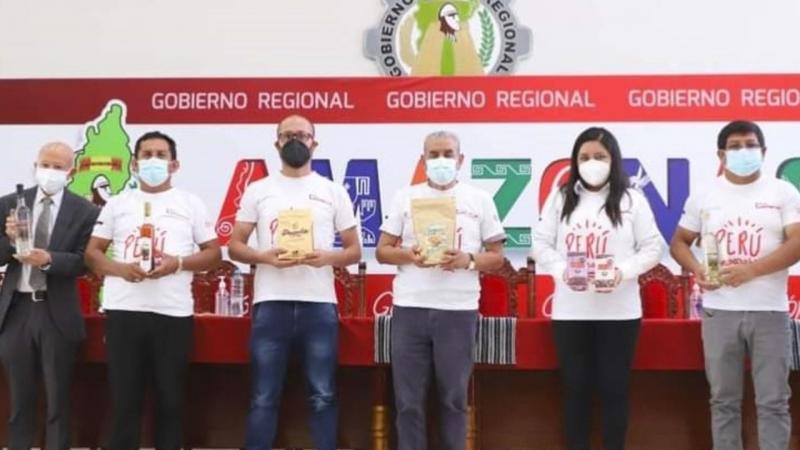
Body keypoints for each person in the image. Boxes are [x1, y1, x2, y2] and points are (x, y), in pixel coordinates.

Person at [228, 114, 361, 450]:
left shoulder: (332, 191)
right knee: (263, 395)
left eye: (302, 135)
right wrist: (264, 257)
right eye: (288, 136)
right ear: (277, 143)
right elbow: (235, 245)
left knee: (322, 393)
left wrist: (326, 257)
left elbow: (354, 250)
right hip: (270, 304)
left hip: (319, 305)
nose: (295, 141)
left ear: (314, 143)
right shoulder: (258, 190)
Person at [84, 131, 221, 450]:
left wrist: (178, 263)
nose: (153, 161)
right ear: (134, 164)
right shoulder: (117, 203)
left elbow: (214, 254)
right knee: (124, 400)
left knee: (170, 400)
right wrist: (120, 269)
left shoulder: (190, 203)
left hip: (172, 313)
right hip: (124, 312)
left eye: (161, 155)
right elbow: (92, 253)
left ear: (175, 165)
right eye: (146, 155)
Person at [670, 120, 800, 450]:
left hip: (770, 311)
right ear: (721, 154)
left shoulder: (783, 192)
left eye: (751, 145)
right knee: (723, 401)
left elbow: (797, 243)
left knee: (774, 402)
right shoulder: (704, 195)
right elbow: (679, 242)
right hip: (719, 312)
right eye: (735, 146)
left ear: (764, 151)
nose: (744, 151)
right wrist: (698, 269)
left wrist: (751, 271)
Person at [532, 127, 664, 450]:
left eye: (600, 157)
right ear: (575, 162)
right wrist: (563, 272)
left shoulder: (632, 199)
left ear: (613, 160)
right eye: (585, 157)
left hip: (620, 313)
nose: (592, 163)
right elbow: (540, 243)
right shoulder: (561, 197)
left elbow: (652, 248)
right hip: (571, 313)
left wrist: (622, 272)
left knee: (614, 390)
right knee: (575, 390)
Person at [375, 130, 506, 450]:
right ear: (423, 160)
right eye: (433, 155)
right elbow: (382, 251)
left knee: (453, 399)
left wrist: (468, 260)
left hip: (458, 311)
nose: (441, 160)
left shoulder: (479, 200)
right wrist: (410, 256)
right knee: (408, 401)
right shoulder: (405, 197)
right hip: (410, 308)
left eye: (448, 154)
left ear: (461, 159)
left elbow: (497, 257)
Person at [0, 142, 99, 450]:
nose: (50, 172)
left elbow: (85, 261)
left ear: (71, 171)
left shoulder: (85, 211)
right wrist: (11, 240)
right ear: (35, 166)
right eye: (45, 165)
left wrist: (49, 260)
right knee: (20, 399)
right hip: (16, 310)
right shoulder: (9, 204)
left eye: (58, 167)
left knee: (58, 400)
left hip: (56, 313)